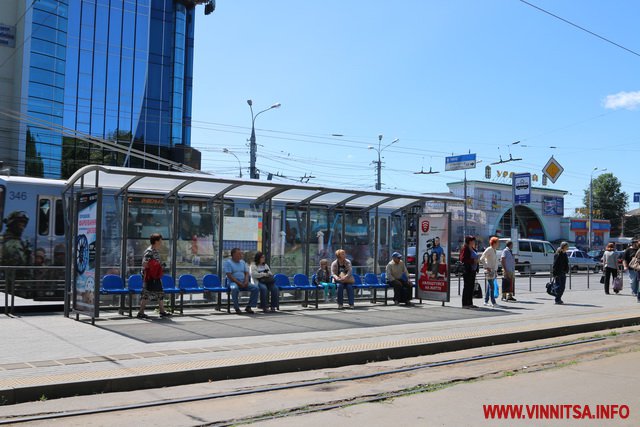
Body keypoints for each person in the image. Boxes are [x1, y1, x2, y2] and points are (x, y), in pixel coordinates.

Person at [137, 233, 171, 319]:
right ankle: (141, 312)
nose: (161, 242)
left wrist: (160, 266)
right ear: (156, 241)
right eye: (160, 241)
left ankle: (162, 311)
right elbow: (144, 264)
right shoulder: (150, 251)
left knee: (159, 293)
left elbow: (155, 263)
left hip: (155, 276)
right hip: (150, 277)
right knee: (146, 294)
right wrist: (155, 267)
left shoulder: (154, 250)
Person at [2, 211, 32, 298]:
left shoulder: (19, 242)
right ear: (12, 224)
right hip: (11, 288)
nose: (22, 228)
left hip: (17, 287)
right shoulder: (10, 243)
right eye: (20, 224)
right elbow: (19, 264)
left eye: (23, 225)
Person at [225, 247, 259, 314]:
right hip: (232, 283)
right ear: (234, 255)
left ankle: (249, 307)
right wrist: (239, 283)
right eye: (239, 254)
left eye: (241, 254)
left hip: (243, 282)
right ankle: (237, 308)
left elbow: (246, 273)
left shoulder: (243, 262)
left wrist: (246, 281)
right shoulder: (228, 263)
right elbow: (229, 275)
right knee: (234, 289)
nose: (241, 255)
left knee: (255, 288)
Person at [479, 236, 499, 307]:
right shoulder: (489, 249)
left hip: (493, 271)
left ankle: (486, 301)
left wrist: (496, 271)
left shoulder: (494, 250)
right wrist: (486, 266)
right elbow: (481, 258)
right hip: (489, 271)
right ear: (494, 243)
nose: (498, 244)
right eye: (497, 242)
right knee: (492, 286)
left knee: (489, 286)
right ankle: (493, 302)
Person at [460, 235, 479, 308]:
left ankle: (470, 303)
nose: (474, 242)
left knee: (471, 287)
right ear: (469, 241)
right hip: (467, 270)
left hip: (473, 271)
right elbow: (463, 259)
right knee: (467, 287)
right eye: (472, 240)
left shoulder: (473, 248)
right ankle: (465, 304)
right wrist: (473, 261)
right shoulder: (465, 248)